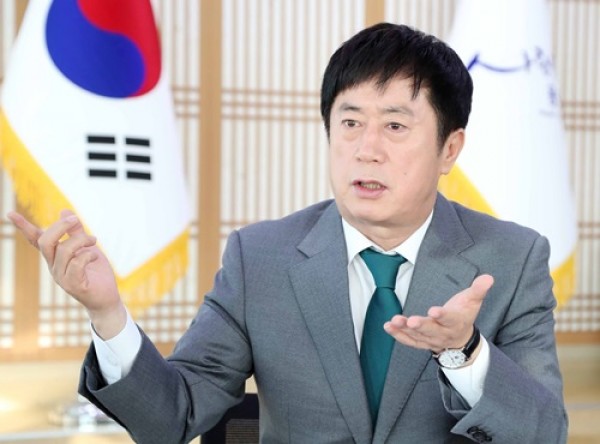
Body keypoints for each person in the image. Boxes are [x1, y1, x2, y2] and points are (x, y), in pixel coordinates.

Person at [9, 23, 567, 443]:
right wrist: (107, 312)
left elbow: (545, 433)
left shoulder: (511, 259)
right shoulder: (260, 258)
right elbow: (172, 418)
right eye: (350, 122)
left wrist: (465, 353)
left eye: (395, 125)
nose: (366, 148)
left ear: (450, 149)